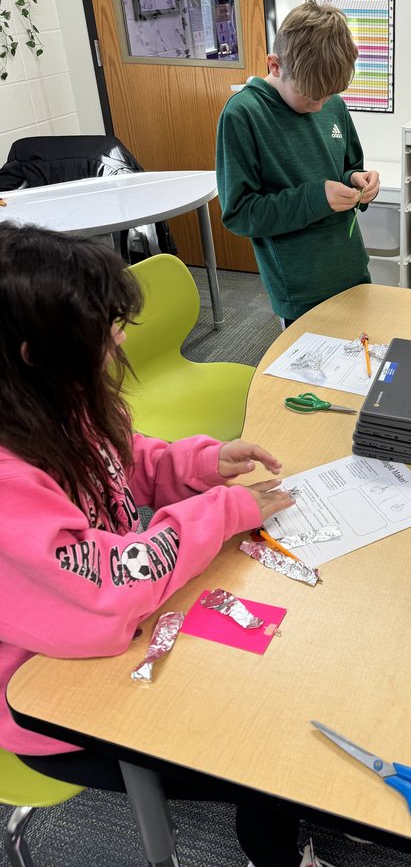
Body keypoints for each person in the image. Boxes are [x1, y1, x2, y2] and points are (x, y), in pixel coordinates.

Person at [0, 222, 299, 866]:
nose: (119, 340)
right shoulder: (6, 482)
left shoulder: (53, 400)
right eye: (102, 334)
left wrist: (198, 466)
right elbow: (103, 591)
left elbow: (121, 460)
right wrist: (219, 512)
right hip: (46, 695)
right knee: (265, 755)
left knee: (275, 668)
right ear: (32, 353)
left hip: (115, 618)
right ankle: (278, 845)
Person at [216, 1, 380, 327]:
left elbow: (346, 167)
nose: (320, 107)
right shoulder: (243, 115)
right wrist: (316, 198)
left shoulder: (330, 101)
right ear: (275, 66)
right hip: (300, 286)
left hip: (350, 269)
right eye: (309, 98)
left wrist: (358, 180)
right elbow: (240, 214)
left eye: (327, 97)